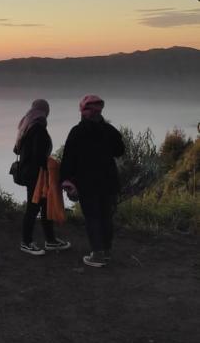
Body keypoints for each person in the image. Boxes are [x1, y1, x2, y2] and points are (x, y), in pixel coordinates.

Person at [60, 94, 125, 268]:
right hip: (109, 182)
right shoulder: (109, 130)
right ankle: (107, 251)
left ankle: (97, 254)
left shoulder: (77, 131)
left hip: (87, 182)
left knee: (92, 217)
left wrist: (66, 180)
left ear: (83, 111)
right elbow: (120, 150)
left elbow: (68, 159)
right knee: (105, 217)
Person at [14, 98, 71, 256]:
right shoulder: (38, 127)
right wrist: (52, 164)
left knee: (45, 205)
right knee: (33, 208)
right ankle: (26, 242)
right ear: (45, 111)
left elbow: (17, 150)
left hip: (31, 172)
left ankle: (50, 240)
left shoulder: (26, 125)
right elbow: (39, 155)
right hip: (36, 175)